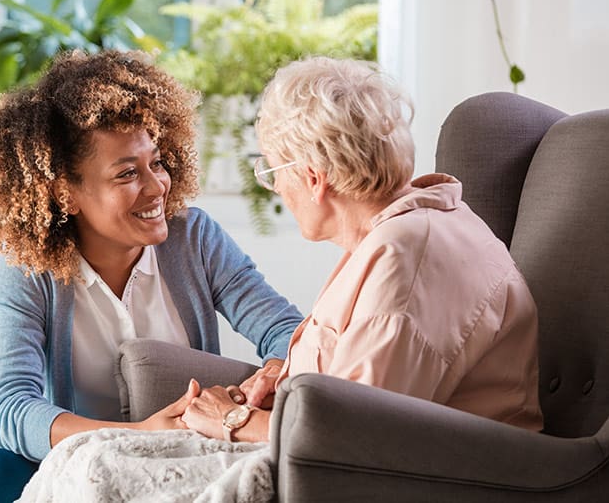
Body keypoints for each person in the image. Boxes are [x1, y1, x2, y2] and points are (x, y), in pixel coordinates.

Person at [0, 49, 304, 502]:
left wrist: (272, 374)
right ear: (66, 192)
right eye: (127, 173)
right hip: (72, 461)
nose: (157, 186)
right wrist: (133, 433)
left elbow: (286, 331)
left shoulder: (194, 238)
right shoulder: (27, 264)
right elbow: (7, 407)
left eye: (156, 162)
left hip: (183, 458)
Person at [179, 56, 543, 444]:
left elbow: (354, 437)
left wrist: (234, 420)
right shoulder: (411, 227)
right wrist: (287, 379)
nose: (278, 189)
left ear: (313, 178)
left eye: (272, 172)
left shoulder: (404, 259)